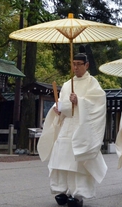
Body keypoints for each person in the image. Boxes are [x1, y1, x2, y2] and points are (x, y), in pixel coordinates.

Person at [37, 52, 107, 207]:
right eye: (73, 63)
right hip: (67, 124)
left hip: (81, 125)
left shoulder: (92, 83)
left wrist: (80, 101)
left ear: (86, 65)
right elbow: (61, 102)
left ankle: (77, 194)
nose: (75, 67)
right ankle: (61, 190)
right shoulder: (68, 84)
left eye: (79, 64)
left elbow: (98, 103)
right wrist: (58, 108)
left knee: (77, 160)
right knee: (61, 157)